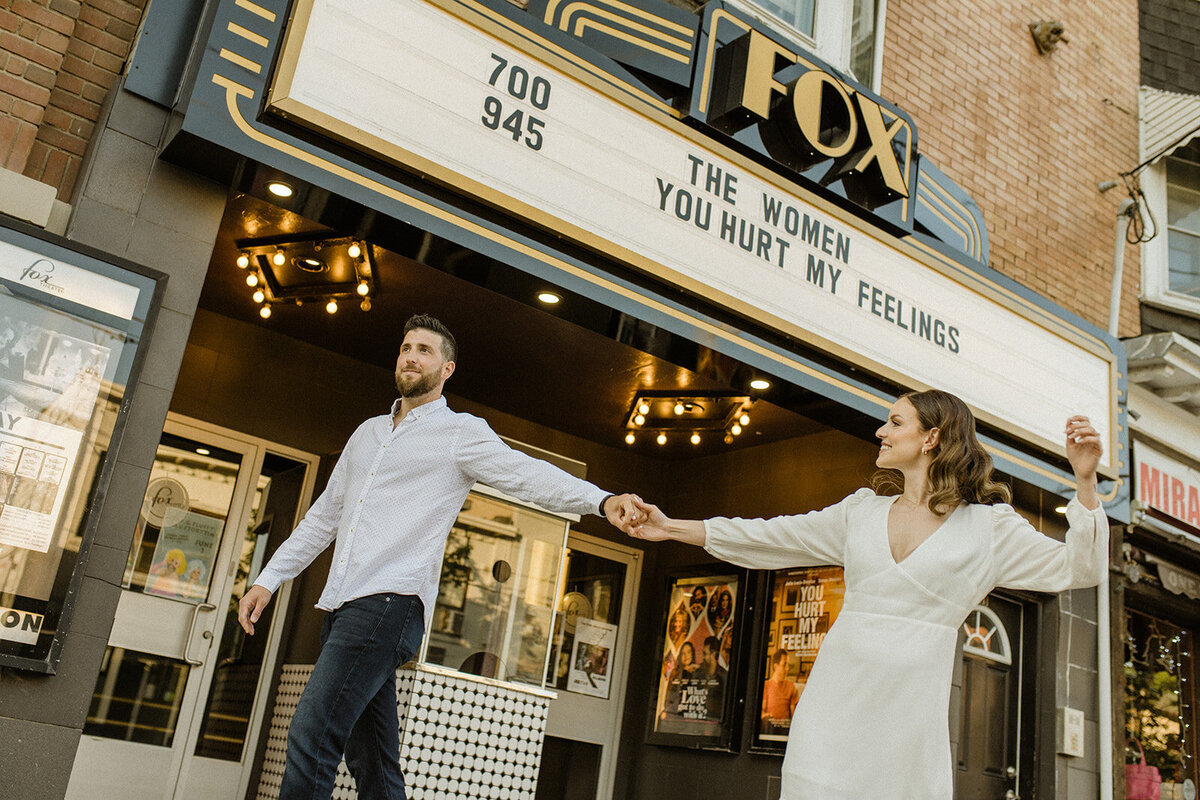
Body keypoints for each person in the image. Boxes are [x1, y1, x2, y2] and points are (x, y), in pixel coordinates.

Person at [625, 389, 1109, 800]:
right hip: (832, 709)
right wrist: (670, 527)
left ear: (931, 438)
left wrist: (1085, 482)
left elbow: (1080, 567)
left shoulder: (988, 528)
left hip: (906, 722)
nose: (881, 431)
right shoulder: (861, 512)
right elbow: (770, 537)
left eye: (895, 422)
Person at [237, 314, 639, 800]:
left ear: (447, 369)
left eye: (425, 350)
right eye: (406, 347)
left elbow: (526, 474)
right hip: (345, 608)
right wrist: (269, 577)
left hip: (387, 605)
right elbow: (325, 516)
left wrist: (599, 501)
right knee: (375, 763)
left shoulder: (458, 432)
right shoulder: (367, 433)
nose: (411, 356)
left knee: (311, 733)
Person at [761, 649, 799, 734]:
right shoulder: (766, 686)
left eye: (788, 665)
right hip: (770, 727)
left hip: (785, 728)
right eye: (784, 665)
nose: (787, 669)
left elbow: (794, 716)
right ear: (776, 666)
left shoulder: (791, 686)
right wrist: (765, 715)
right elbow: (762, 710)